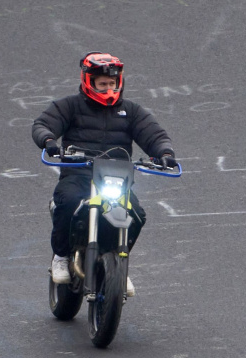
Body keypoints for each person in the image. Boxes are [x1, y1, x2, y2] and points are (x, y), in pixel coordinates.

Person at [32, 52, 177, 296]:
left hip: (116, 178)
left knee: (137, 214)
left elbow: (154, 135)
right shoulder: (69, 106)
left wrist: (165, 153)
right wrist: (48, 140)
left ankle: (119, 265)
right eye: (102, 84)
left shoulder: (130, 111)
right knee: (67, 204)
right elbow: (43, 124)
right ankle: (61, 255)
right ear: (89, 82)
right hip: (78, 175)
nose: (108, 88)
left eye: (112, 83)